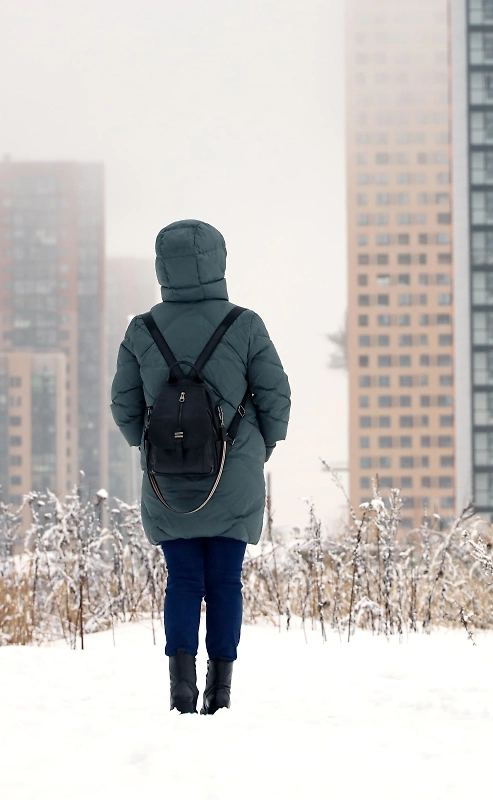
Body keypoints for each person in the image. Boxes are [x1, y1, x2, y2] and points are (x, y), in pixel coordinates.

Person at [110, 220, 291, 714]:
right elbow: (276, 396)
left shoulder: (141, 330)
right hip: (235, 472)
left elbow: (124, 405)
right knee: (226, 580)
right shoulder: (244, 324)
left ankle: (181, 689)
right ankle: (221, 691)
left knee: (184, 578)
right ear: (218, 261)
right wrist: (258, 447)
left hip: (167, 479)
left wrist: (152, 448)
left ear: (162, 267)